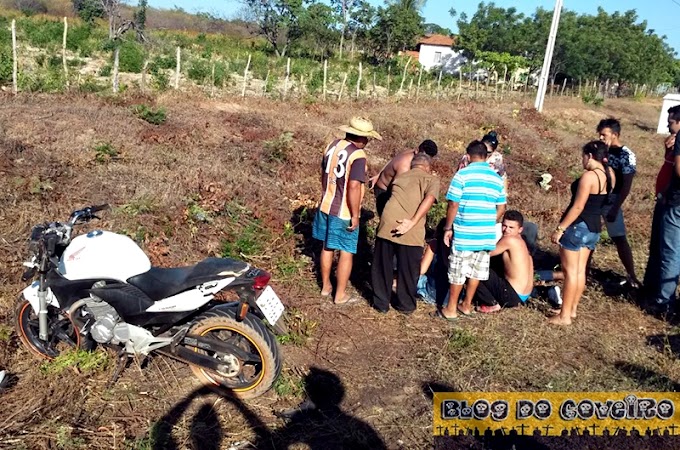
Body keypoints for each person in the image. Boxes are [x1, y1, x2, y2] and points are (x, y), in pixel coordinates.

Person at [312, 117, 381, 305]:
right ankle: (340, 294)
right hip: (343, 211)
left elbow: (323, 174)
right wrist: (355, 215)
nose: (368, 142)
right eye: (368, 138)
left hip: (325, 204)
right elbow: (353, 186)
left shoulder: (332, 145)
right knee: (346, 251)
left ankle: (326, 286)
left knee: (327, 246)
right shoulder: (358, 156)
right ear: (361, 138)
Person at [437, 140, 506, 320]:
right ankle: (467, 305)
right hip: (485, 234)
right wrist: (489, 221)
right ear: (486, 156)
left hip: (464, 233)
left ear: (468, 156)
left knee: (458, 271)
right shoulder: (497, 178)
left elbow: (453, 204)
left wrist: (447, 227)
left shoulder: (462, 175)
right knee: (476, 271)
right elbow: (501, 207)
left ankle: (451, 309)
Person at [549, 141, 615, 326]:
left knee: (570, 272)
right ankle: (572, 308)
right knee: (579, 271)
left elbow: (578, 206)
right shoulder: (609, 174)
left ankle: (564, 316)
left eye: (583, 156)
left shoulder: (589, 177)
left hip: (578, 226)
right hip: (594, 228)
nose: (582, 160)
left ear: (590, 156)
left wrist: (560, 228)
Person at [372, 154, 440, 314]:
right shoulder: (431, 180)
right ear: (428, 167)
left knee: (383, 264)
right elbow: (430, 198)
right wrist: (413, 221)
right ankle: (406, 304)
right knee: (408, 268)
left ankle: (381, 303)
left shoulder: (401, 177)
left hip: (388, 221)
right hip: (411, 227)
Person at [596, 118, 641, 288]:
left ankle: (632, 275)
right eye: (599, 134)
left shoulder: (626, 155)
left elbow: (626, 185)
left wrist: (615, 208)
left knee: (619, 238)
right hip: (597, 198)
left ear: (615, 135)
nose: (601, 138)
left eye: (604, 135)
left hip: (612, 200)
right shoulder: (600, 151)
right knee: (591, 235)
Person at [643, 106, 679, 301]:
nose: (667, 124)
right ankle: (652, 287)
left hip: (671, 201)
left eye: (671, 121)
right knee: (658, 246)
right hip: (665, 199)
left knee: (669, 250)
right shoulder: (674, 144)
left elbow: (677, 173)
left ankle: (664, 299)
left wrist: (665, 192)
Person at [474, 210, 534, 313]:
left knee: (473, 266)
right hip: (523, 295)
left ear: (520, 229)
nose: (506, 230)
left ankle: (490, 303)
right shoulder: (522, 242)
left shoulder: (509, 240)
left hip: (510, 295)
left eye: (511, 227)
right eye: (504, 226)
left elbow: (484, 255)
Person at [370, 140, 438, 215]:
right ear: (417, 151)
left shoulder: (412, 153)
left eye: (427, 159)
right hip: (384, 193)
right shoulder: (405, 167)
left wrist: (379, 174)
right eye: (422, 157)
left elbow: (391, 161)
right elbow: (398, 192)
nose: (424, 160)